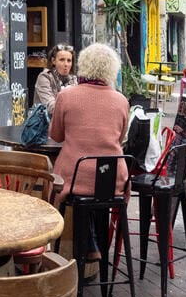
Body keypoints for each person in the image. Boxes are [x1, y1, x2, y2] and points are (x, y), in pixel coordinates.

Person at [49, 43, 129, 203]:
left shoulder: (66, 96)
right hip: (111, 180)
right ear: (112, 69)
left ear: (82, 64)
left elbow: (56, 136)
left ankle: (67, 226)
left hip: (74, 178)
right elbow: (120, 139)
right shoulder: (122, 101)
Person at [33, 43, 76, 115]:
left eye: (69, 61)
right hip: (45, 123)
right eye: (62, 60)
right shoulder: (45, 77)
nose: (66, 64)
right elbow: (51, 106)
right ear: (53, 61)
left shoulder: (72, 79)